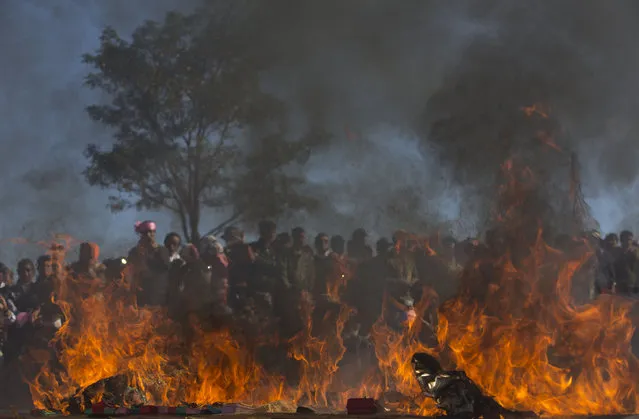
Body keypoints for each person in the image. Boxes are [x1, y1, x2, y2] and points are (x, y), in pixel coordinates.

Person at [127, 220, 170, 306]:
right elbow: (130, 269)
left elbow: (165, 266)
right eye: (145, 233)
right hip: (140, 290)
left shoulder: (162, 250)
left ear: (154, 233)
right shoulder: (135, 251)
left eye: (150, 232)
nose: (148, 235)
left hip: (157, 290)